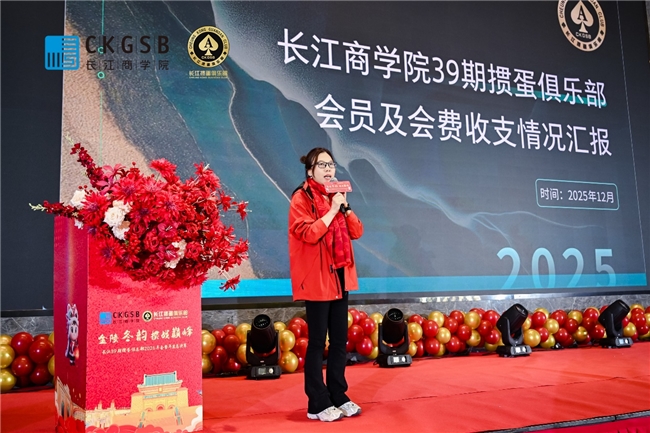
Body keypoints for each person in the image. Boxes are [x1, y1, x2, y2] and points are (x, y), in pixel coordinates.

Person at [288, 147, 364, 422]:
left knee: (340, 341)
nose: (329, 169)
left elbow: (357, 231)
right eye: (322, 165)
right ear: (310, 171)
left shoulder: (336, 197)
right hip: (318, 277)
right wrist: (331, 212)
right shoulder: (301, 197)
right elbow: (307, 233)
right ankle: (317, 403)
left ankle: (338, 395)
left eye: (331, 165)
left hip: (340, 275)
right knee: (318, 342)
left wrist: (345, 208)